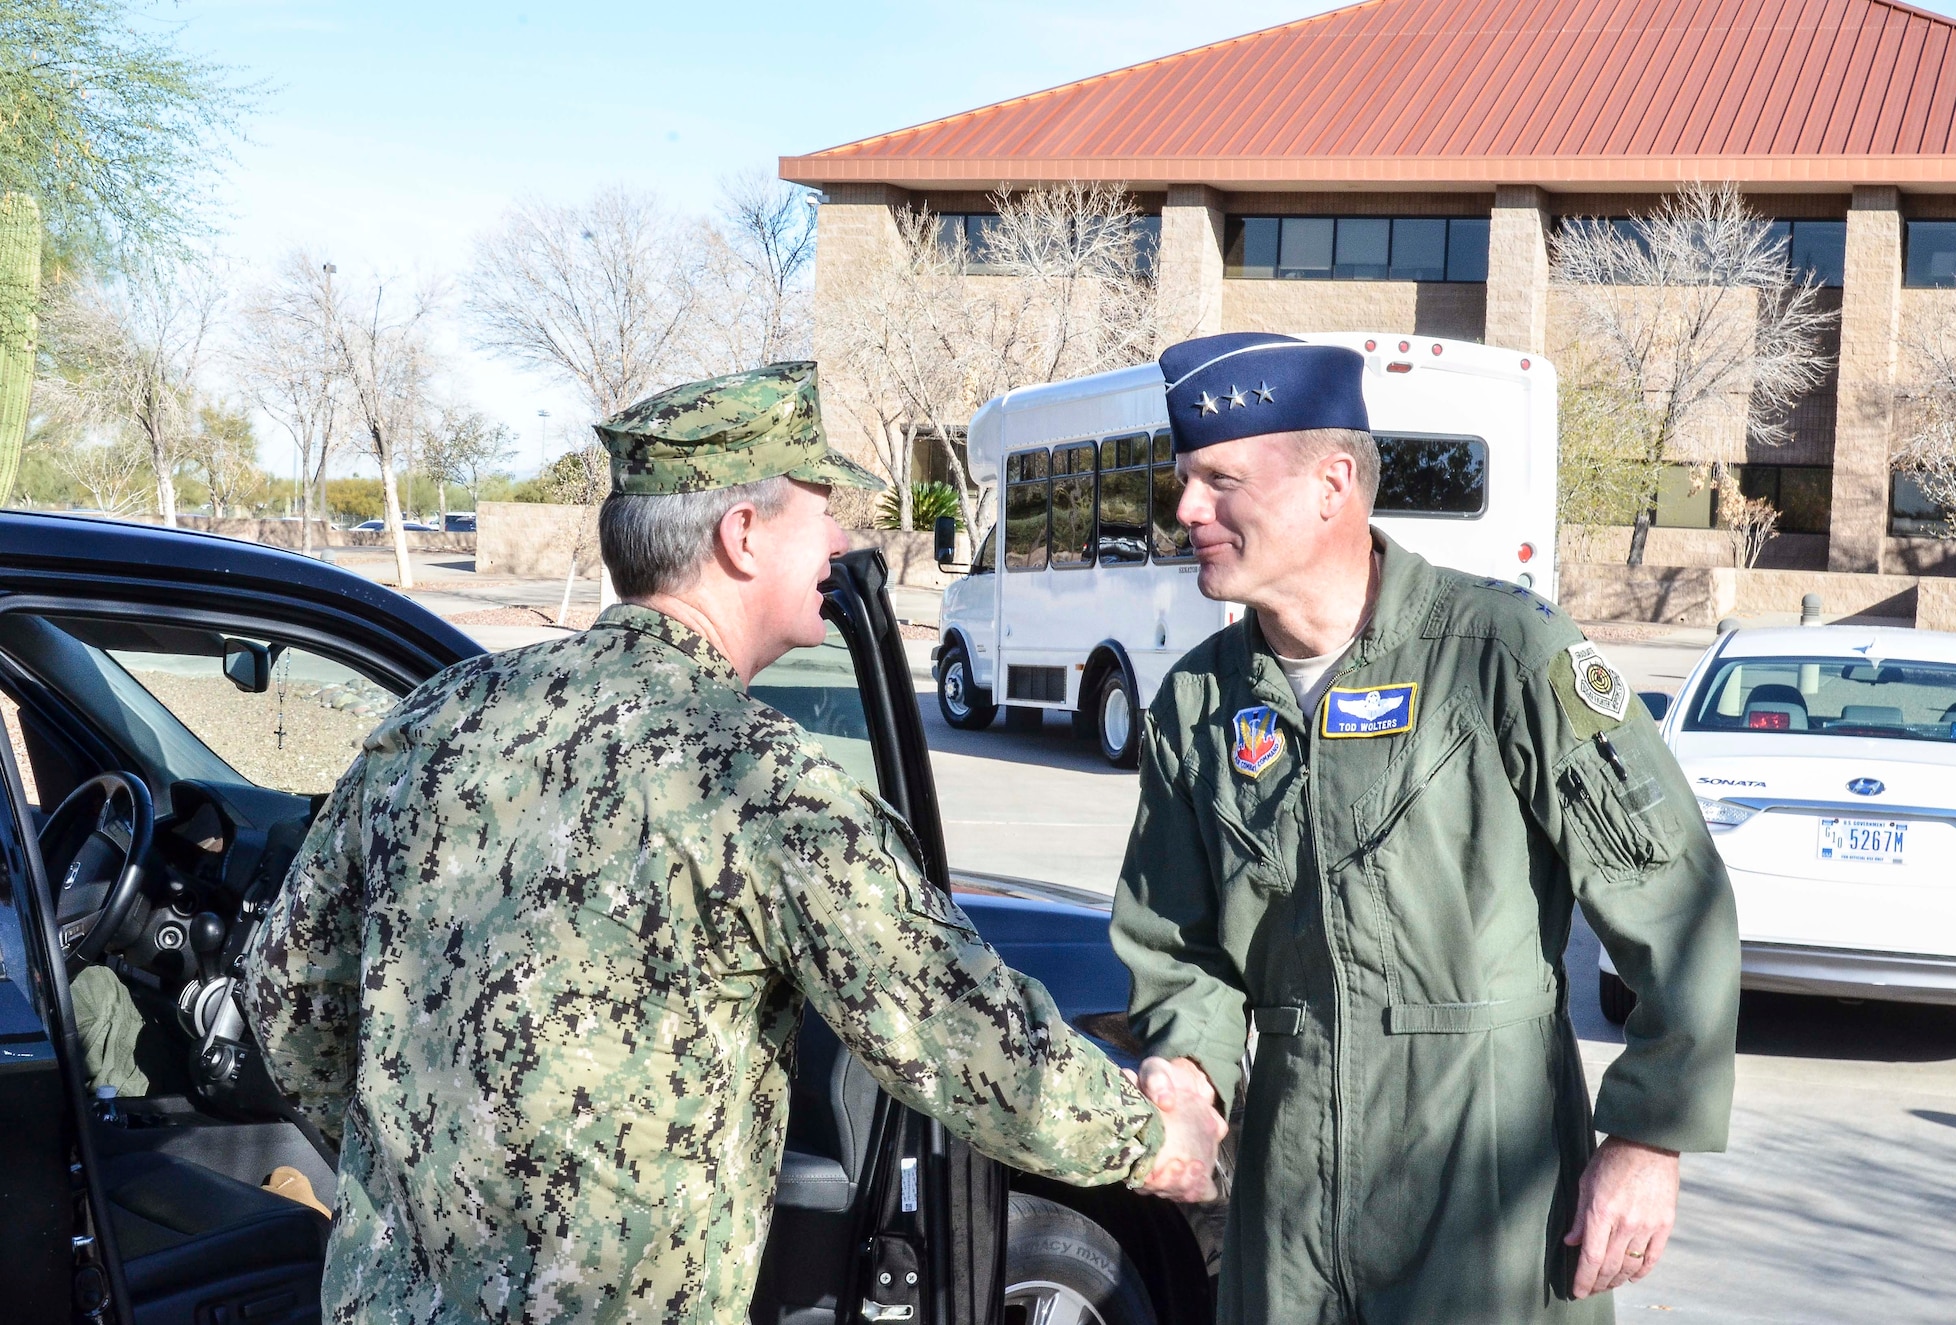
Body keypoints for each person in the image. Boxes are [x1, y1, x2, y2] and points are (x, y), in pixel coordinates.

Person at [242, 361, 1226, 1324]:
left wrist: (412, 1170)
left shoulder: (434, 717)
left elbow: (287, 1001)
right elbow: (951, 1028)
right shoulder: (754, 778)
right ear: (742, 533)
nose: (840, 536)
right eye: (820, 507)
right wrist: (1151, 1135)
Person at [1110, 333, 1740, 1323]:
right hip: (1285, 1210)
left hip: (1485, 1199)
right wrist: (1186, 1069)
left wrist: (1647, 1136)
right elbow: (1176, 943)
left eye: (1217, 480)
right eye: (1184, 479)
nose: (1185, 508)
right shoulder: (1200, 698)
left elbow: (1674, 899)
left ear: (1330, 484)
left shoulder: (1502, 653)